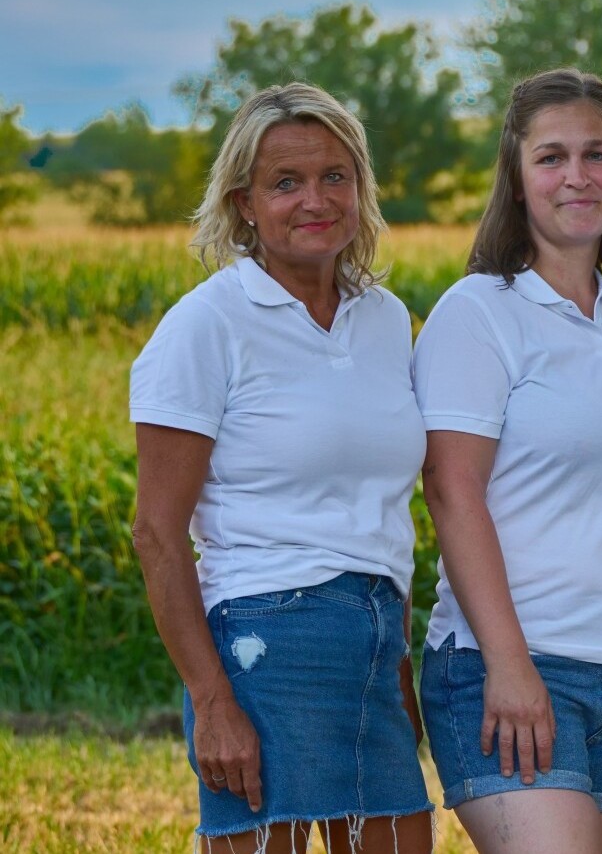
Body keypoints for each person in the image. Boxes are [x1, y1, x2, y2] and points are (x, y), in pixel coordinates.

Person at [129, 82, 433, 853]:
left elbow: (385, 510)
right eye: (286, 182)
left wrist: (398, 661)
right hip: (263, 650)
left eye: (335, 176)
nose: (315, 200)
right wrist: (212, 700)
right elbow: (157, 533)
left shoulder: (385, 319)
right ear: (245, 203)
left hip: (375, 644)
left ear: (360, 187)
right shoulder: (206, 325)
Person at [412, 67, 602, 854]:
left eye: (597, 154)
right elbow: (451, 489)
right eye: (551, 157)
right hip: (513, 663)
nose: (577, 176)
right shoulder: (480, 313)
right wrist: (509, 662)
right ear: (517, 175)